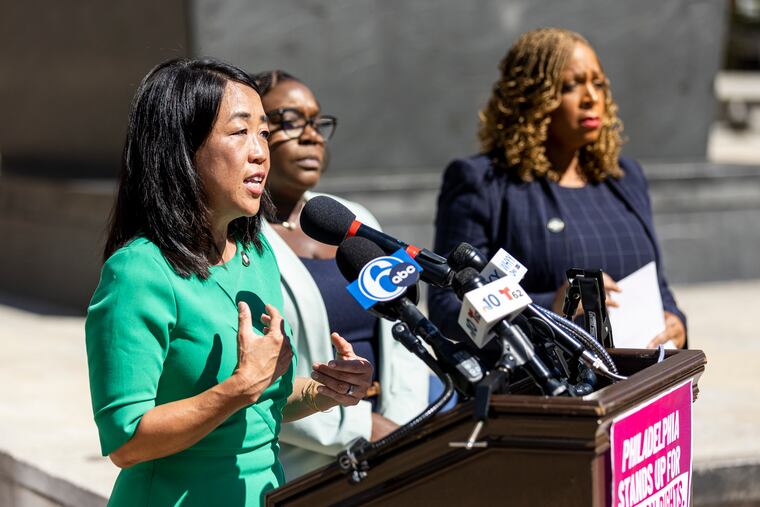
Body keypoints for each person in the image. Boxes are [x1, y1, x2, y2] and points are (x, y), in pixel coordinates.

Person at [85, 58, 375, 506]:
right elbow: (127, 442)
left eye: (264, 132)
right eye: (240, 132)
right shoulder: (138, 272)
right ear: (182, 147)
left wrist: (325, 391)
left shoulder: (256, 254)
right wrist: (238, 388)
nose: (260, 152)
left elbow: (264, 401)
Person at [429, 28, 687, 349]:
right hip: (540, 376)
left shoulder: (625, 177)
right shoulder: (483, 182)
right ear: (531, 98)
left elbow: (657, 286)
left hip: (637, 374)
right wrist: (550, 306)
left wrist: (676, 321)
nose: (591, 98)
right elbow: (448, 308)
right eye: (570, 86)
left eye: (598, 84)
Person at [251, 70, 429, 480]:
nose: (311, 135)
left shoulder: (353, 220)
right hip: (303, 467)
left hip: (394, 448)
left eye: (317, 122)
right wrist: (364, 428)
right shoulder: (238, 241)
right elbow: (257, 381)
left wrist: (400, 427)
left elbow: (402, 328)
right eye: (290, 121)